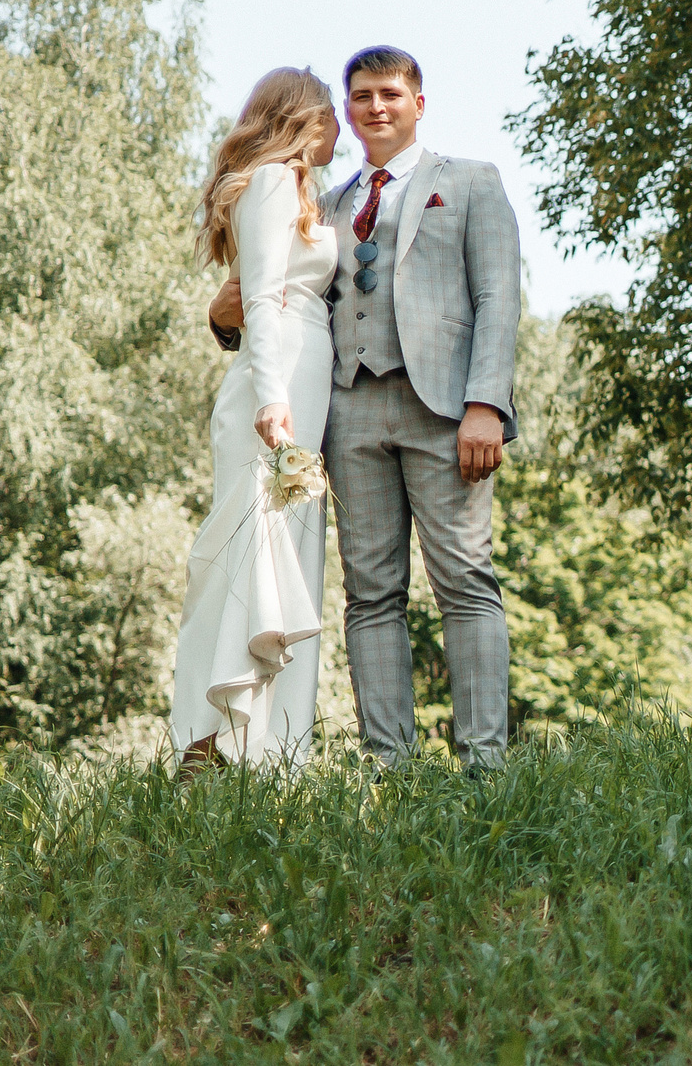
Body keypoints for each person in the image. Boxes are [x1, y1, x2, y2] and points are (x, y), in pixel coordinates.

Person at [211, 46, 522, 768]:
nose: (374, 106)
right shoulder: (328, 202)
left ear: (419, 102)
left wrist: (486, 404)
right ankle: (391, 764)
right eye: (360, 96)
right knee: (370, 593)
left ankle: (485, 763)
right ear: (345, 112)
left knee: (465, 581)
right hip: (348, 415)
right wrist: (223, 320)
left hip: (446, 412)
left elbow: (497, 299)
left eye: (389, 92)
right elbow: (275, 295)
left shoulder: (472, 182)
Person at [171, 68, 340, 771]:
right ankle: (226, 746)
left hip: (300, 375)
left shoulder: (299, 189)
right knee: (258, 554)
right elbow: (263, 298)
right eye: (328, 114)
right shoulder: (273, 182)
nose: (337, 130)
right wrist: (274, 399)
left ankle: (268, 753)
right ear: (302, 117)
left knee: (288, 560)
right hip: (279, 387)